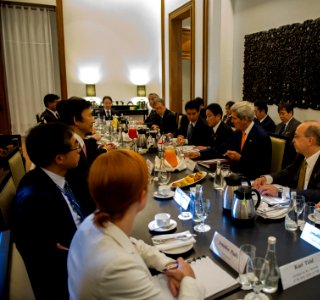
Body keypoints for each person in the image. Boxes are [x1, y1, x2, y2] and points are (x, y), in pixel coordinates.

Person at [67, 150, 205, 299]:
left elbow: (135, 246)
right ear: (142, 196)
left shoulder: (91, 222)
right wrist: (188, 279)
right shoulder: (116, 267)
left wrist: (170, 267)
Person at [12, 123, 87, 299]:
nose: (79, 151)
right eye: (75, 146)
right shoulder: (34, 199)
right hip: (70, 279)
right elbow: (43, 258)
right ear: (59, 158)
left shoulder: (58, 176)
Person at [253, 121, 320, 203]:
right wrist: (267, 179)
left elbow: (317, 195)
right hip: (295, 205)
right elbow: (287, 173)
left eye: (296, 136)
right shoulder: (301, 155)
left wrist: (281, 193)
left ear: (310, 141)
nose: (293, 140)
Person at [57, 97, 105, 213]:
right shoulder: (70, 151)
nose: (93, 120)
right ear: (76, 120)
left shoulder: (78, 142)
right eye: (90, 115)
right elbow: (81, 189)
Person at [225, 101, 272, 179]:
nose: (231, 121)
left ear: (245, 119)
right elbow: (225, 147)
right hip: (235, 175)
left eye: (234, 118)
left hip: (251, 180)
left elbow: (262, 168)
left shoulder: (262, 137)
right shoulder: (238, 132)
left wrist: (240, 158)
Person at [274, 102, 301, 166]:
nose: (280, 116)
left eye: (283, 113)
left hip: (289, 160)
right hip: (277, 157)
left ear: (290, 113)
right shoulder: (278, 126)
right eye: (279, 114)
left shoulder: (298, 126)